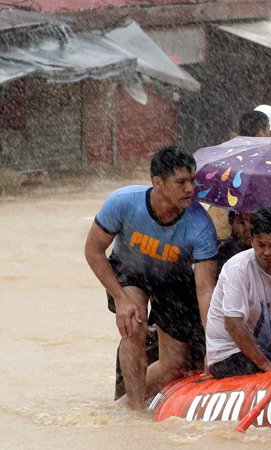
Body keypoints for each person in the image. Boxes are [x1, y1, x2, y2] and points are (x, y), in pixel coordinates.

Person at [84, 146, 218, 410]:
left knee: (175, 362)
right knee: (134, 325)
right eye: (181, 182)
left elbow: (205, 289)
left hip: (174, 278)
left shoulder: (201, 224)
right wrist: (121, 299)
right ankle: (135, 413)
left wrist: (214, 343)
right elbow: (93, 250)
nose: (190, 189)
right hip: (129, 272)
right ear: (158, 183)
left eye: (192, 180)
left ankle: (119, 407)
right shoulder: (122, 202)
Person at [206, 207, 271, 378]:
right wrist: (266, 365)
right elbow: (233, 324)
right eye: (261, 245)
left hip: (267, 350)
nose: (267, 252)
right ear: (252, 241)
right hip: (228, 354)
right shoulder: (238, 268)